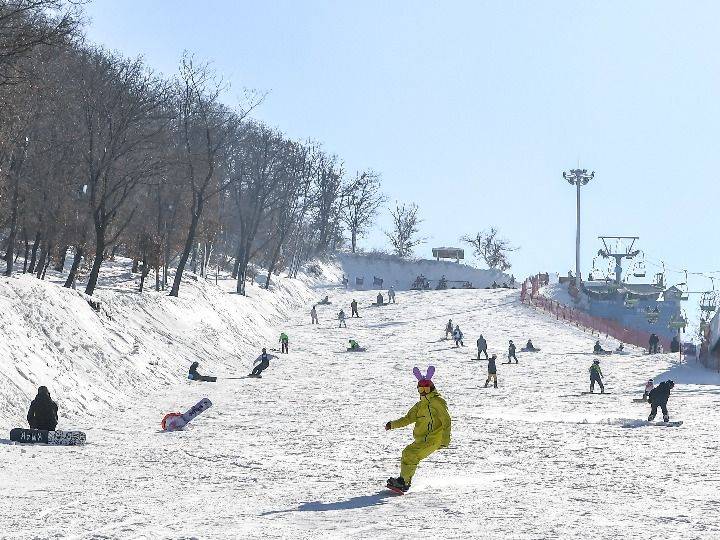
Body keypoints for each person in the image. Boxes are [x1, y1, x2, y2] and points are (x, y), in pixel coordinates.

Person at [385, 366, 451, 493]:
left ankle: (404, 482)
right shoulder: (419, 406)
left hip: (434, 438)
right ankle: (403, 480)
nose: (424, 392)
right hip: (422, 439)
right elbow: (408, 418)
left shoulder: (438, 401)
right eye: (421, 389)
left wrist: (445, 439)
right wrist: (392, 424)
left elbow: (446, 420)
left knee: (411, 454)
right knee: (407, 452)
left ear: (431, 388)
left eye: (426, 388)